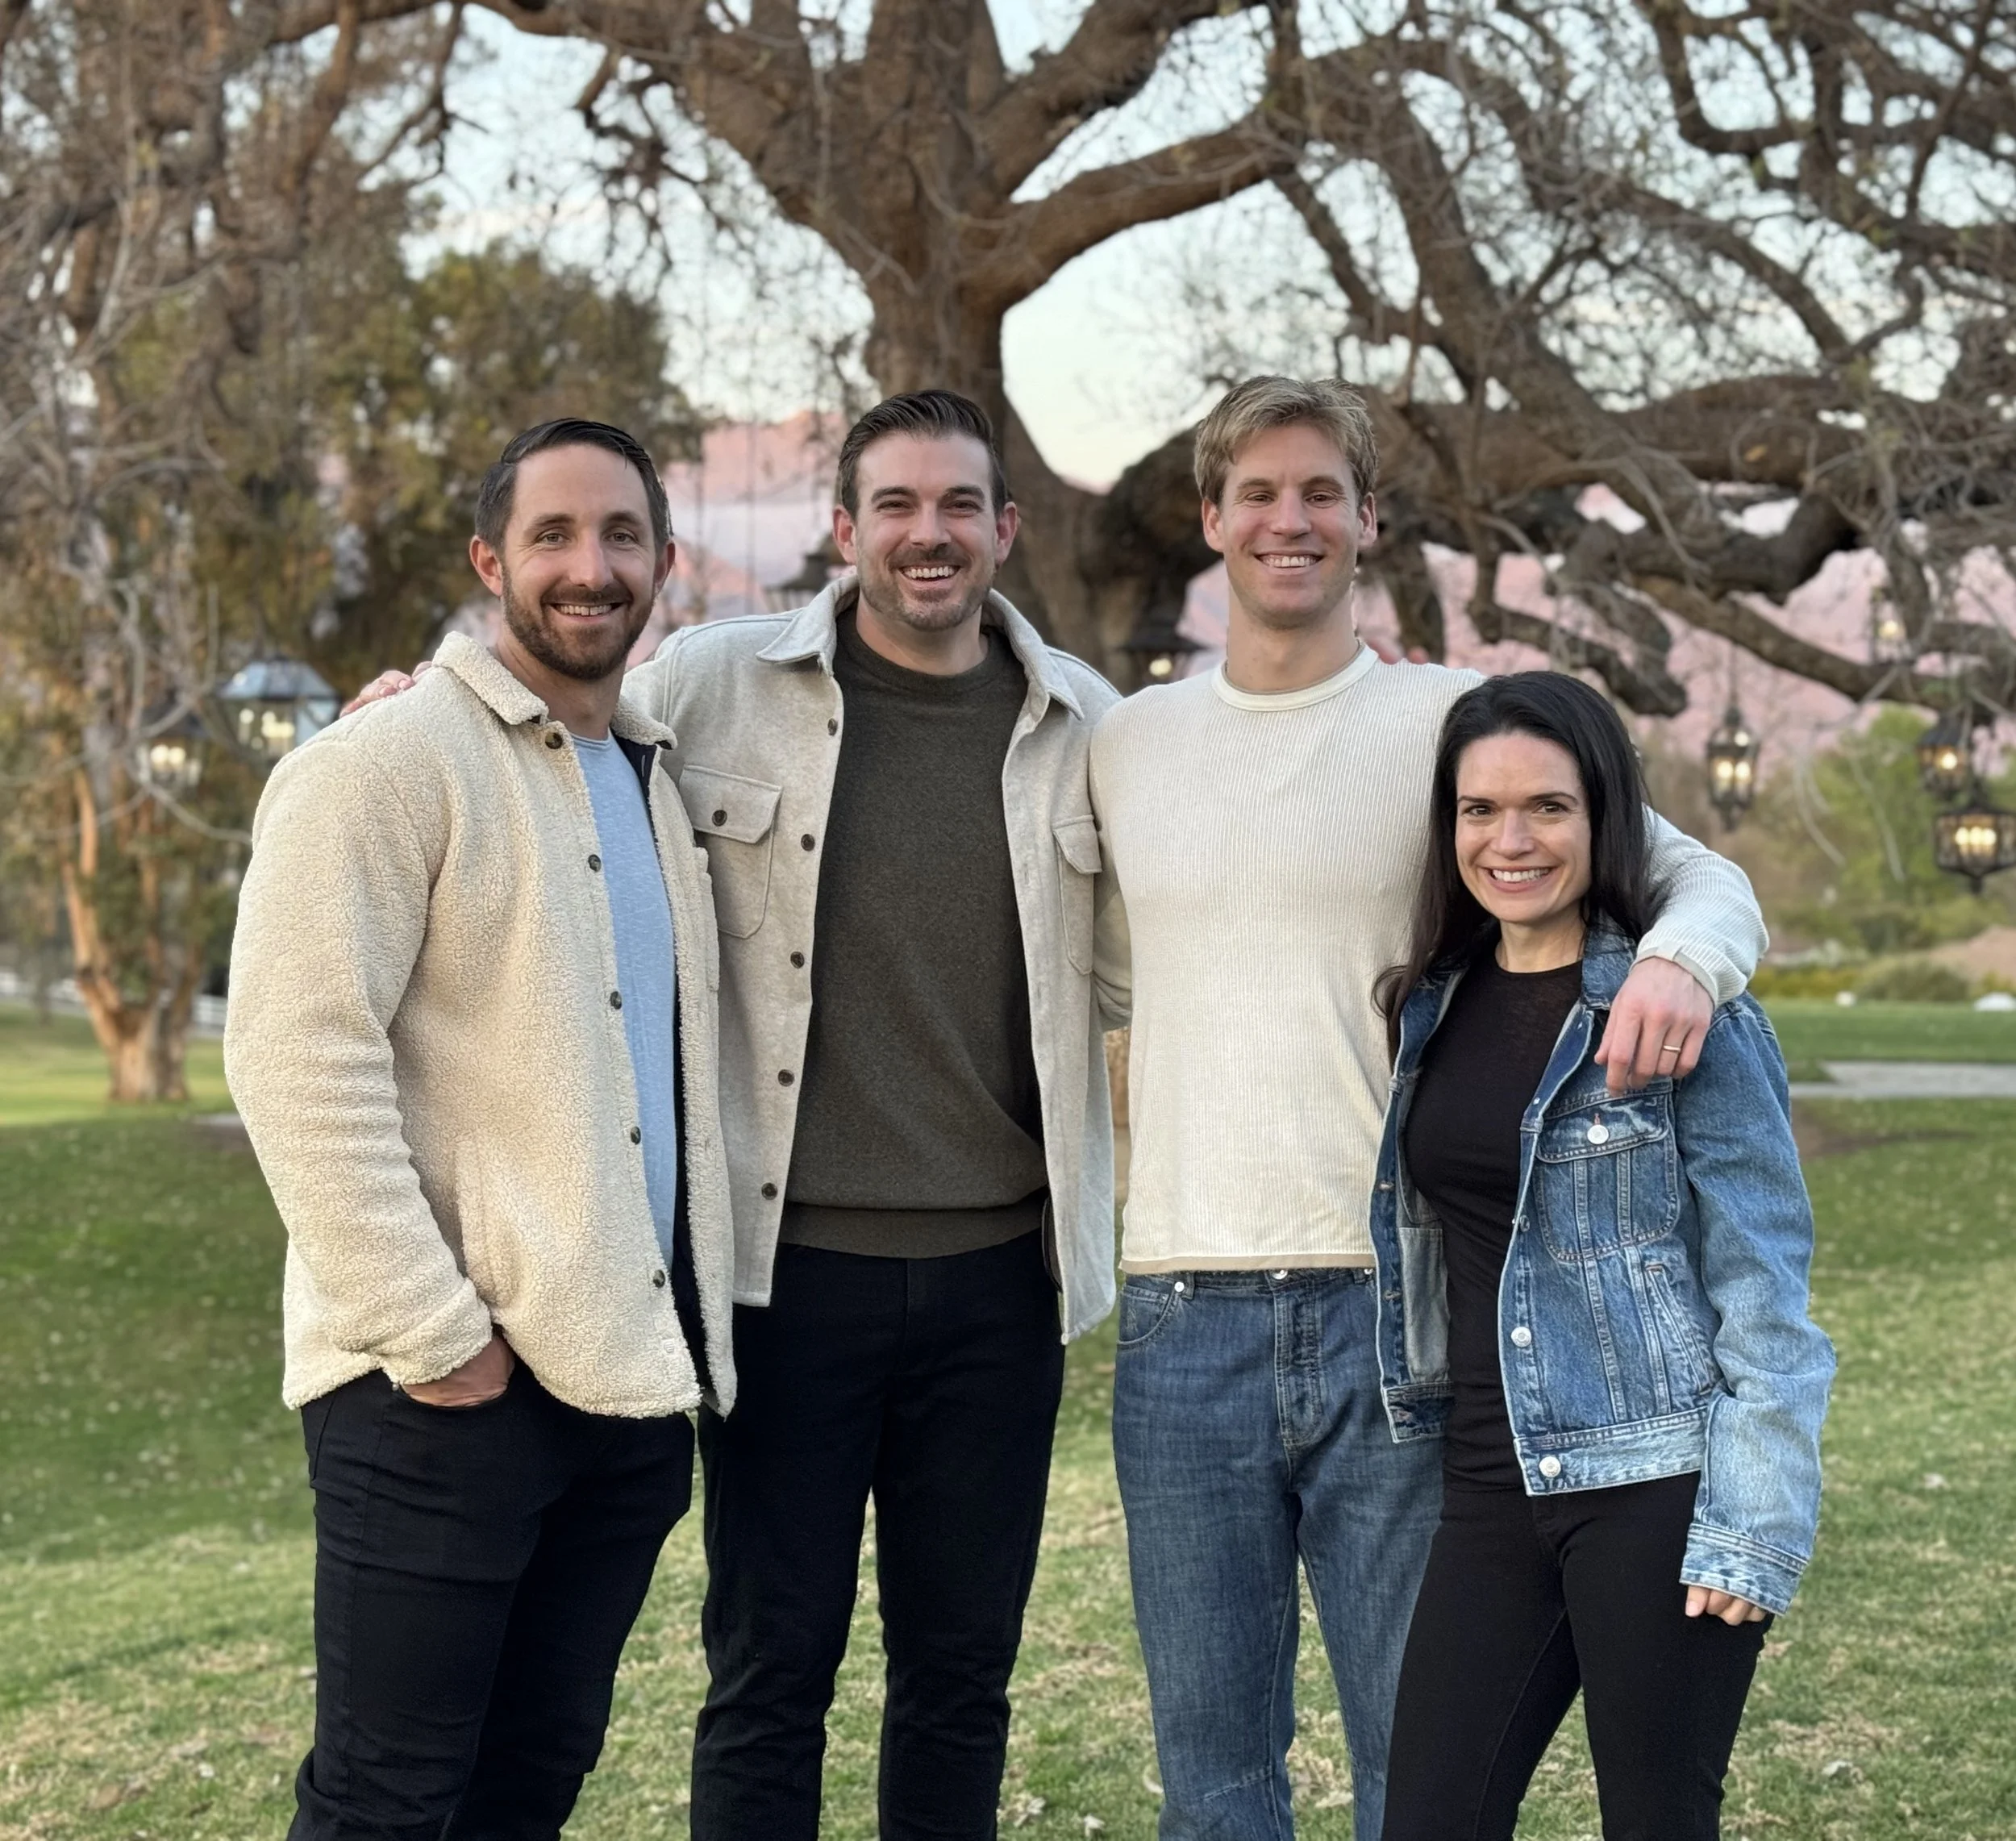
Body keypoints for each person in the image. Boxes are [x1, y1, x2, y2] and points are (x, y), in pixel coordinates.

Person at [345, 389, 1127, 1840]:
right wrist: (408, 704)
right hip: (782, 1283)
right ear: (845, 530)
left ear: (1006, 530)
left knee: (962, 1674)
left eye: (961, 504)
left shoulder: (1088, 726)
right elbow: (537, 709)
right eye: (894, 504)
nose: (928, 533)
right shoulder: (711, 684)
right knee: (770, 1671)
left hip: (1000, 1285)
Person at [1087, 376, 1768, 1841]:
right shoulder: (1123, 744)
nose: (1290, 518)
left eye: (1322, 490)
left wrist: (1682, 967)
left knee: (1426, 1780)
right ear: (1210, 520)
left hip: (1396, 1316)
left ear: (1369, 520)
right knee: (1212, 1782)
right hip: (1178, 1315)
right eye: (1257, 492)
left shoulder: (1445, 730)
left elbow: (1696, 871)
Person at [226, 419, 738, 1841]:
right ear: (487, 561)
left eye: (621, 536)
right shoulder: (383, 763)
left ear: (664, 563)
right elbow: (292, 1053)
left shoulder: (653, 777)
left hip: (624, 1396)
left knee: (530, 1784)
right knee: (386, 1800)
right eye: (555, 536)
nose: (591, 566)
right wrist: (439, 1338)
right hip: (435, 1395)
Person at [1371, 671, 1835, 1840]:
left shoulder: (1680, 1006)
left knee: (1658, 1818)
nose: (1510, 838)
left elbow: (1764, 1270)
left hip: (1656, 1485)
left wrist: (1753, 1515)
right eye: (1480, 810)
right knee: (1429, 1816)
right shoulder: (1436, 1000)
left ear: (1605, 817)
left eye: (1548, 808)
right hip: (1490, 1485)